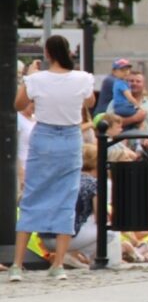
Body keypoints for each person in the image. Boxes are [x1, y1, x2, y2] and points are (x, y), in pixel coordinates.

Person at [9, 35, 96, 282]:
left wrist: (32, 80)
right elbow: (89, 101)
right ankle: (57, 263)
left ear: (47, 53)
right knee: (65, 198)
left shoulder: (36, 79)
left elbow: (18, 104)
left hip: (44, 135)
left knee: (33, 195)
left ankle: (17, 264)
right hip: (70, 137)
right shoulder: (82, 78)